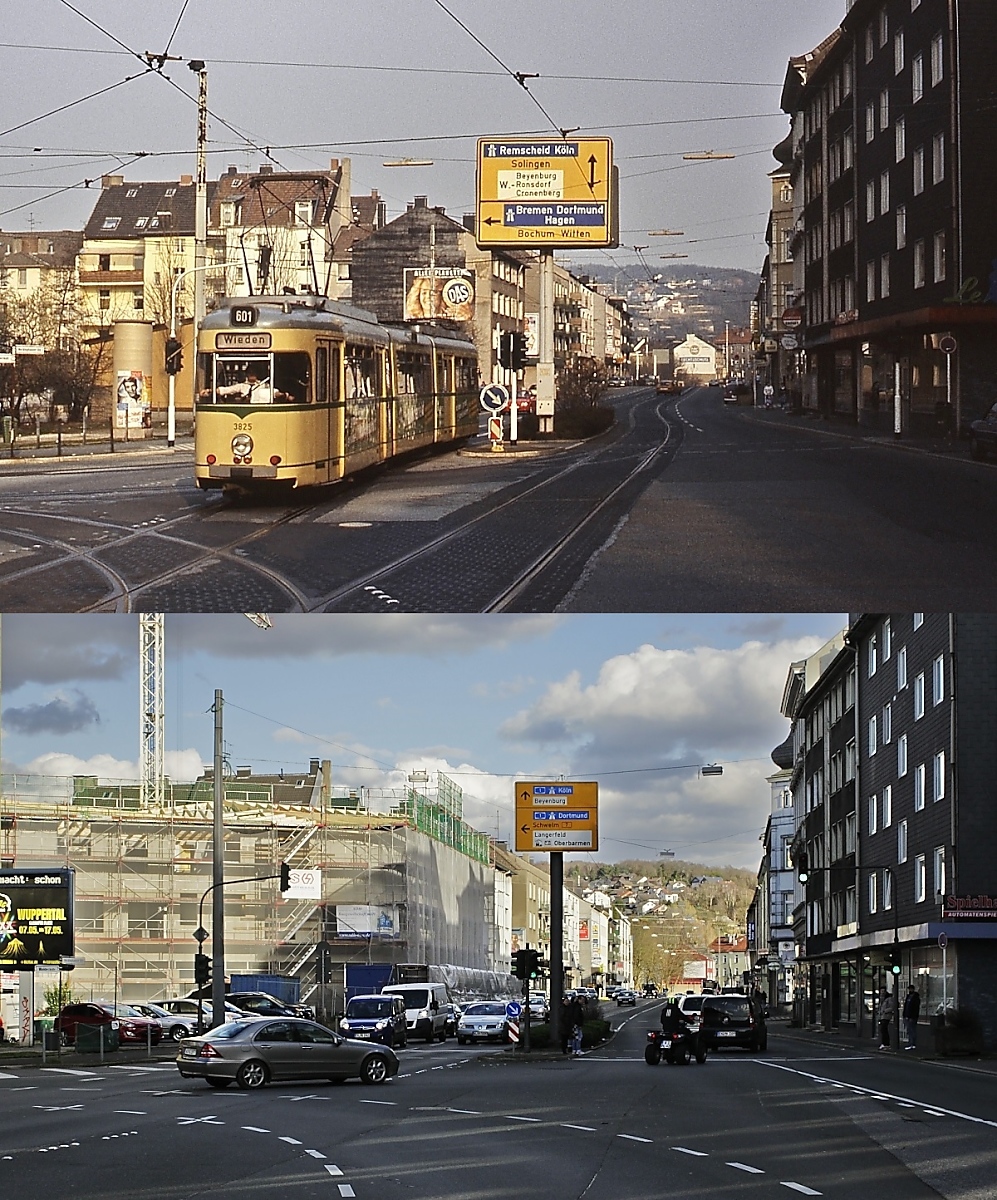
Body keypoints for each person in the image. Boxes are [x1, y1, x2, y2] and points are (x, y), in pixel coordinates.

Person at [902, 985, 921, 1049]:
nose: (910, 990)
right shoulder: (908, 997)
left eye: (911, 989)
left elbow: (915, 1008)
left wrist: (912, 1016)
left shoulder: (915, 998)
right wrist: (904, 1015)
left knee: (912, 1030)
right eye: (909, 989)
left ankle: (912, 1043)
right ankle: (910, 1043)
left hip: (912, 1017)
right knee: (909, 1030)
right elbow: (906, 1007)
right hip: (907, 1016)